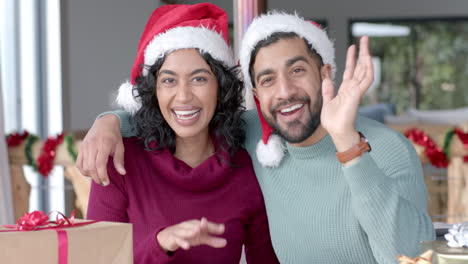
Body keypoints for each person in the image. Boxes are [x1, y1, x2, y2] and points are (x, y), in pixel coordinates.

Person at [79, 11, 435, 264]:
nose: (285, 92)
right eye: (267, 80)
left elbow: (414, 259)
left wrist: (348, 144)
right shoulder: (254, 139)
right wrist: (109, 120)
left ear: (325, 72)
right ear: (256, 95)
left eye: (297, 70)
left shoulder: (387, 150)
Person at [85, 4, 279, 264]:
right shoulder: (119, 162)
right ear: (154, 90)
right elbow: (94, 259)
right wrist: (160, 244)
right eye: (169, 80)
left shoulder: (247, 168)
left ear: (221, 88)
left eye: (199, 79)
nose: (184, 95)